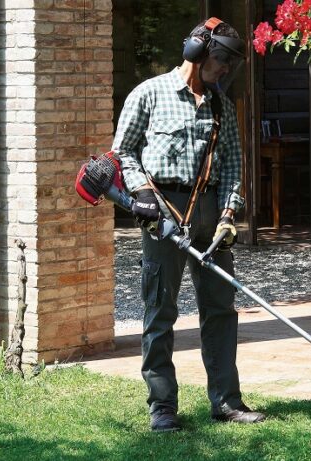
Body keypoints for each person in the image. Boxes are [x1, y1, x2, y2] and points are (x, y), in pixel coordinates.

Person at [112, 18, 265, 432]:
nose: (225, 71)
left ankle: (227, 402)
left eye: (231, 65)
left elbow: (233, 162)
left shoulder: (219, 105)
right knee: (159, 311)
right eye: (221, 62)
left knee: (220, 310)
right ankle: (162, 407)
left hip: (210, 211)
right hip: (162, 210)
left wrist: (229, 217)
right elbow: (121, 153)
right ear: (197, 54)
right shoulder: (149, 94)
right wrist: (142, 193)